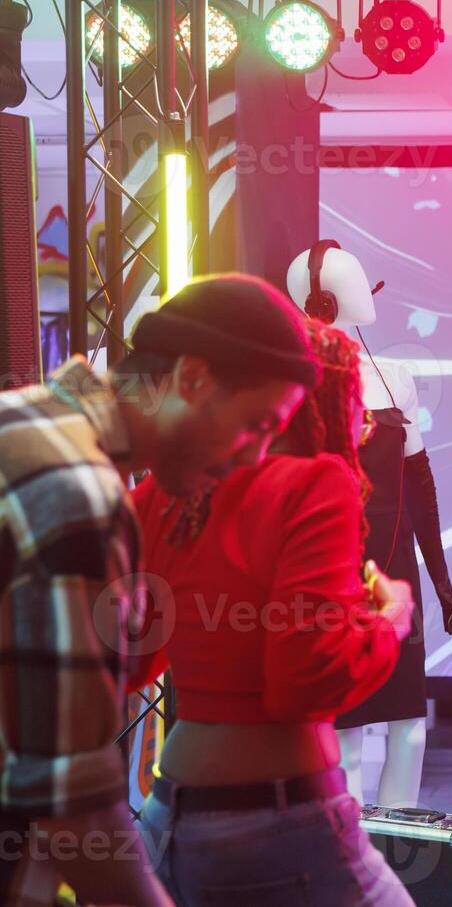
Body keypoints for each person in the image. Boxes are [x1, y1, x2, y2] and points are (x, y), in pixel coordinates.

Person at [0, 274, 319, 906]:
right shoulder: (78, 496)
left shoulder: (22, 423)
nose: (255, 458)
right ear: (192, 377)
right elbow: (72, 810)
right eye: (256, 424)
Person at [132, 319, 415, 905]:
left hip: (169, 822)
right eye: (355, 404)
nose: (362, 425)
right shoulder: (317, 482)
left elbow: (134, 659)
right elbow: (302, 683)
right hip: (278, 820)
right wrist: (386, 624)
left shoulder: (165, 491)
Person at [285, 241, 452, 809]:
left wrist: (443, 584)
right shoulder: (290, 386)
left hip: (396, 568)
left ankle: (404, 862)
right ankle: (354, 859)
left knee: (409, 726)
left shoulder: (394, 377)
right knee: (348, 734)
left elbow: (421, 487)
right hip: (330, 573)